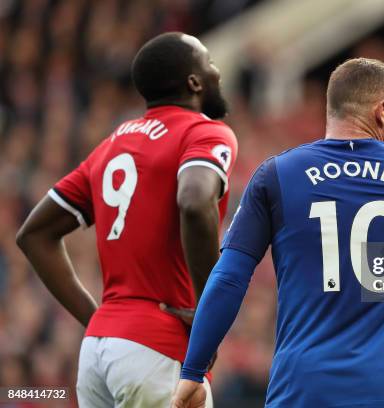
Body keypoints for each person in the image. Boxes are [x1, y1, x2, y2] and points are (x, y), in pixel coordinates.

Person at [172, 58, 384, 408]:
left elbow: (228, 278)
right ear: (382, 111)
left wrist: (193, 371)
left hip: (305, 392)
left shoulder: (277, 176)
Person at [16, 32, 237, 407]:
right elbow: (195, 200)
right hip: (158, 350)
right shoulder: (204, 132)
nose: (218, 71)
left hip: (97, 355)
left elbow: (33, 235)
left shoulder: (112, 144)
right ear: (194, 82)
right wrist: (208, 311)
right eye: (210, 62)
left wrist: (98, 319)